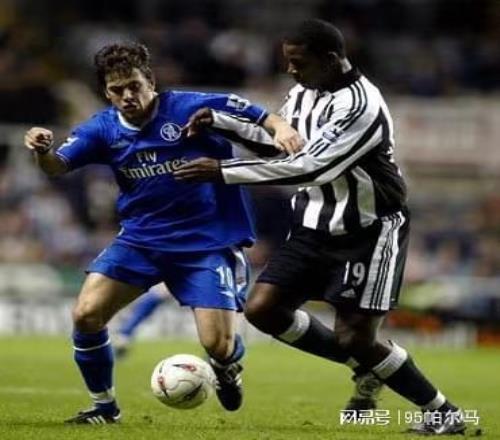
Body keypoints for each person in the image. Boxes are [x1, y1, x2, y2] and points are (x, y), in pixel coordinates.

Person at [174, 19, 465, 435]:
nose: (290, 69)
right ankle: (369, 367)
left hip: (368, 231)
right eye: (287, 61)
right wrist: (222, 122)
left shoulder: (361, 106)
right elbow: (280, 145)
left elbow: (310, 167)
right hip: (313, 225)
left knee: (356, 338)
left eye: (299, 62)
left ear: (330, 59)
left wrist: (223, 171)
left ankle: (442, 412)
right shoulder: (303, 91)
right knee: (263, 310)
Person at [23, 42, 302, 424]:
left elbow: (258, 114)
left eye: (134, 86)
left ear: (150, 82)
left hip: (205, 243)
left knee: (217, 345)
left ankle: (226, 368)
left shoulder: (188, 107)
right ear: (107, 93)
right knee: (86, 314)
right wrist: (42, 151)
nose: (128, 96)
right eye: (117, 90)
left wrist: (282, 128)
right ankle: (104, 408)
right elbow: (57, 167)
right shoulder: (102, 128)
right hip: (141, 240)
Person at [113, 284, 170, 359]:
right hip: (156, 293)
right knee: (138, 315)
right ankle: (123, 335)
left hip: (156, 294)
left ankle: (124, 335)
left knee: (139, 315)